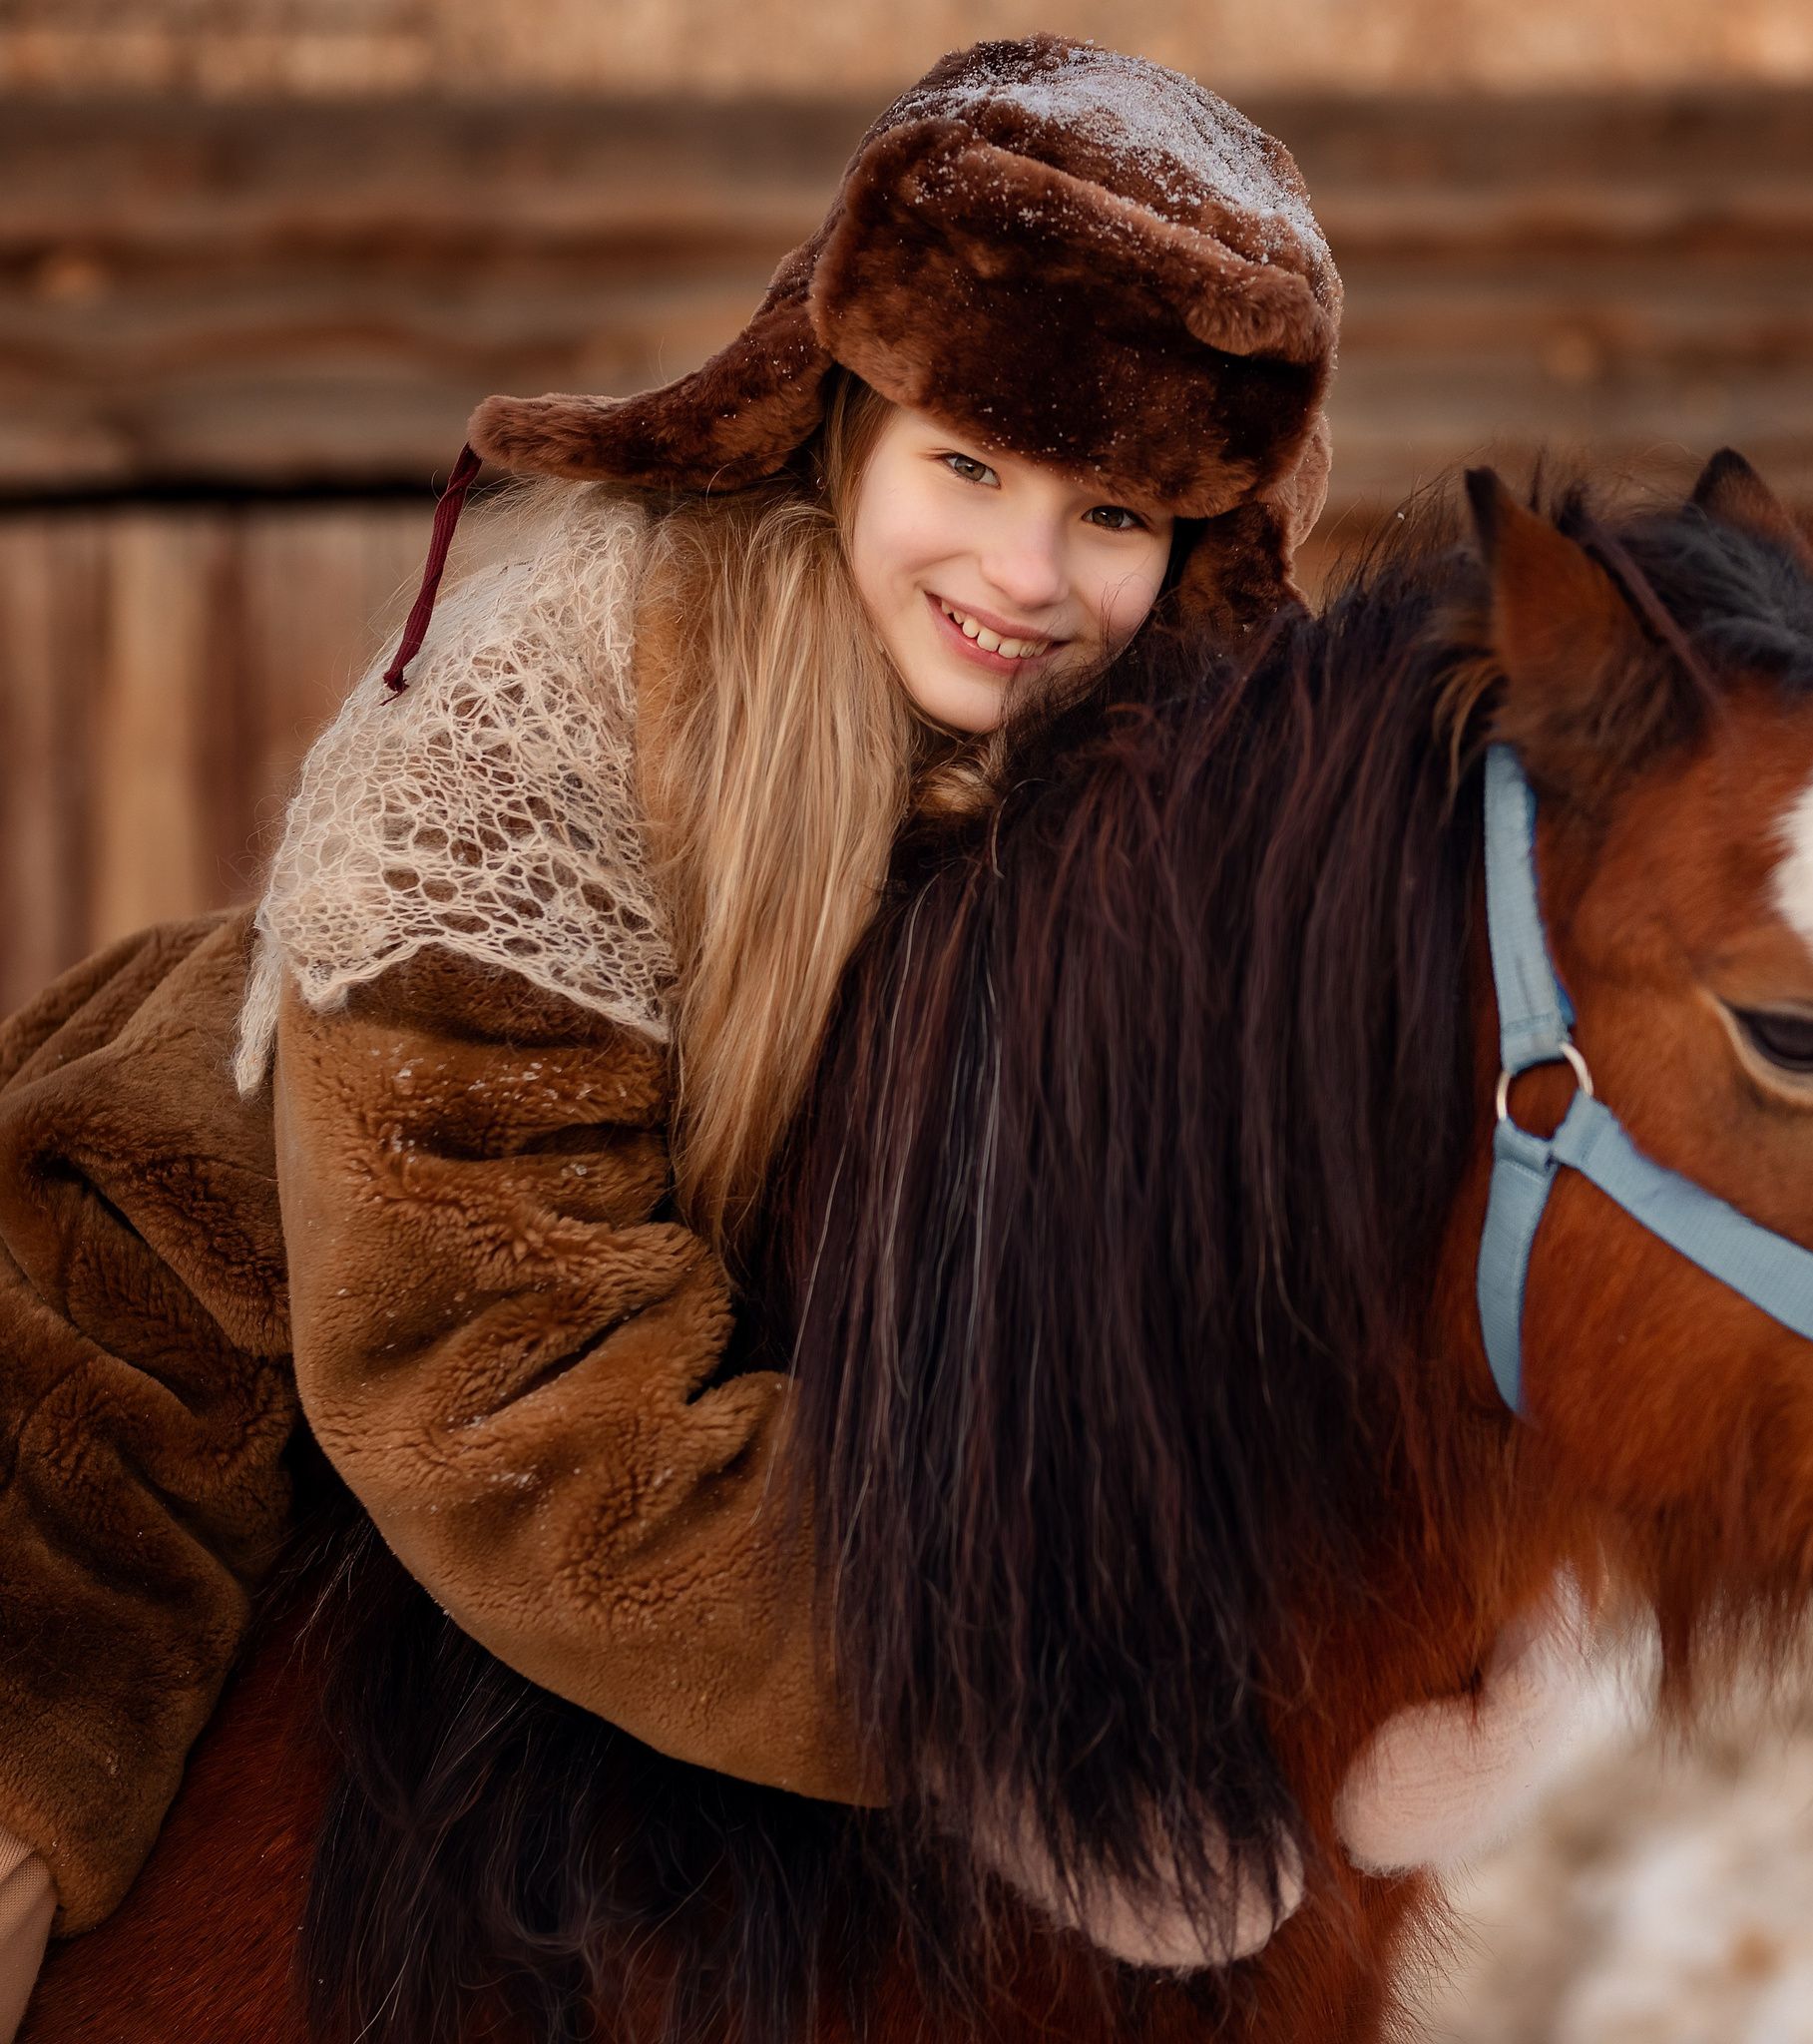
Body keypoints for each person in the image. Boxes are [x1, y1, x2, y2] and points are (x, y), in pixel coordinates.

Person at [0, 34, 1340, 2027]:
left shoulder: (1119, 776)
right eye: (968, 469)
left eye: (1114, 517)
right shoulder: (557, 717)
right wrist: (1002, 1686)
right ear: (841, 428)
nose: (1028, 576)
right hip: (167, 1345)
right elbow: (490, 1379)